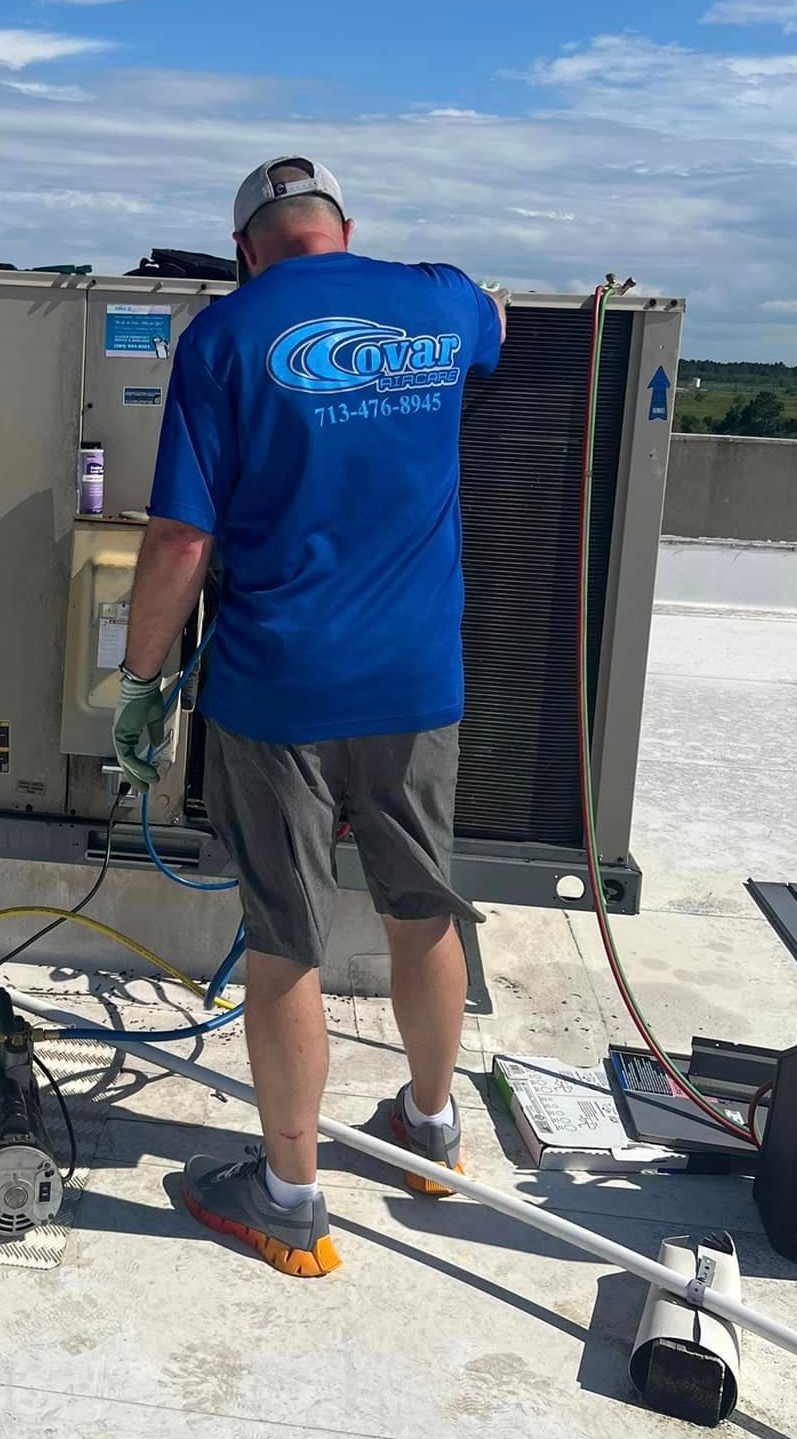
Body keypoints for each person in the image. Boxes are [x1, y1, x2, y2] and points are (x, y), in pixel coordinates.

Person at [113, 156, 506, 1278]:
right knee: (422, 906)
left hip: (279, 686)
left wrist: (141, 680)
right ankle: (430, 1129)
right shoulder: (438, 297)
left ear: (246, 248)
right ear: (345, 227)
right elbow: (500, 326)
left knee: (287, 932)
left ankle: (289, 1195)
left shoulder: (225, 337)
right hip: (416, 677)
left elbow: (183, 540)